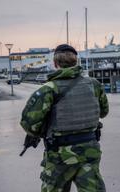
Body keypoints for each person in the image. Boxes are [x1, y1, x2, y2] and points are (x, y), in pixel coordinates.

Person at [20, 44, 109, 192]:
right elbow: (103, 112)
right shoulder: (94, 85)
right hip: (89, 151)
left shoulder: (47, 90)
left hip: (59, 156)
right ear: (76, 62)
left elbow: (28, 124)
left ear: (55, 64)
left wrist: (43, 130)